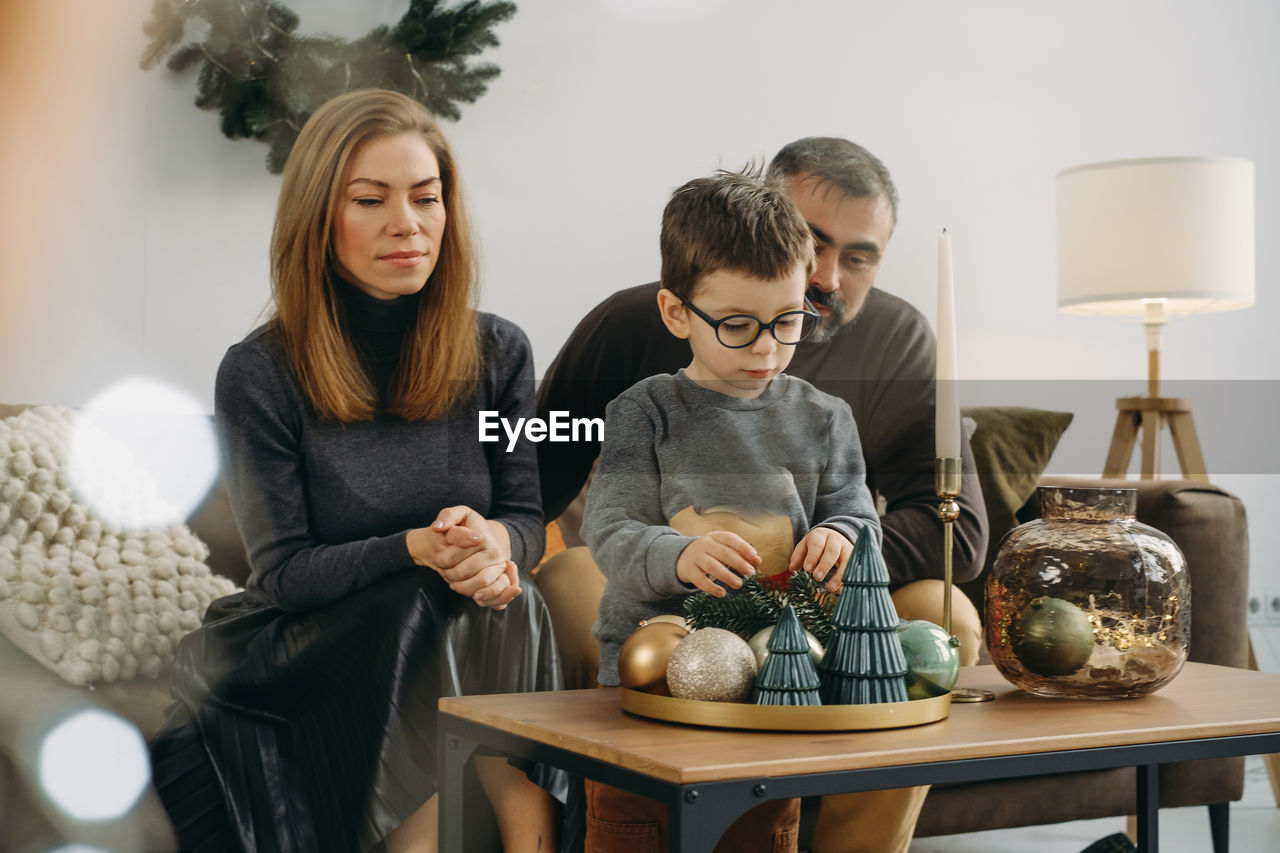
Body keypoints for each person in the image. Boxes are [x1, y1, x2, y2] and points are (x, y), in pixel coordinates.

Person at [534, 138, 989, 853]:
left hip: (798, 606)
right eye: (818, 243)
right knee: (575, 586)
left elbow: (940, 524)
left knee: (944, 612)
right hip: (666, 597)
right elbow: (548, 484)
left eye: (859, 257)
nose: (827, 279)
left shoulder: (864, 371)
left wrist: (838, 547)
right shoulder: (637, 358)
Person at [149, 89, 562, 853]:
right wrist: (416, 548)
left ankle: (526, 826)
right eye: (371, 200)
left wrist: (495, 544)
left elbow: (528, 519)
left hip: (450, 623)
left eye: (426, 198)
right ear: (319, 218)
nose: (407, 223)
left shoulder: (501, 352)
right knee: (429, 595)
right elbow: (283, 574)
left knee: (506, 594)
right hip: (299, 641)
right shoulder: (258, 372)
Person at [581, 169, 882, 852]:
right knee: (635, 826)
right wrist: (678, 555)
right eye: (738, 325)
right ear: (676, 313)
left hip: (778, 676)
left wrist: (842, 535)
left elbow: (858, 514)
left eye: (788, 321)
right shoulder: (644, 412)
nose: (767, 347)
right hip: (650, 680)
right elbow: (610, 528)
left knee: (758, 829)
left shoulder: (825, 417)